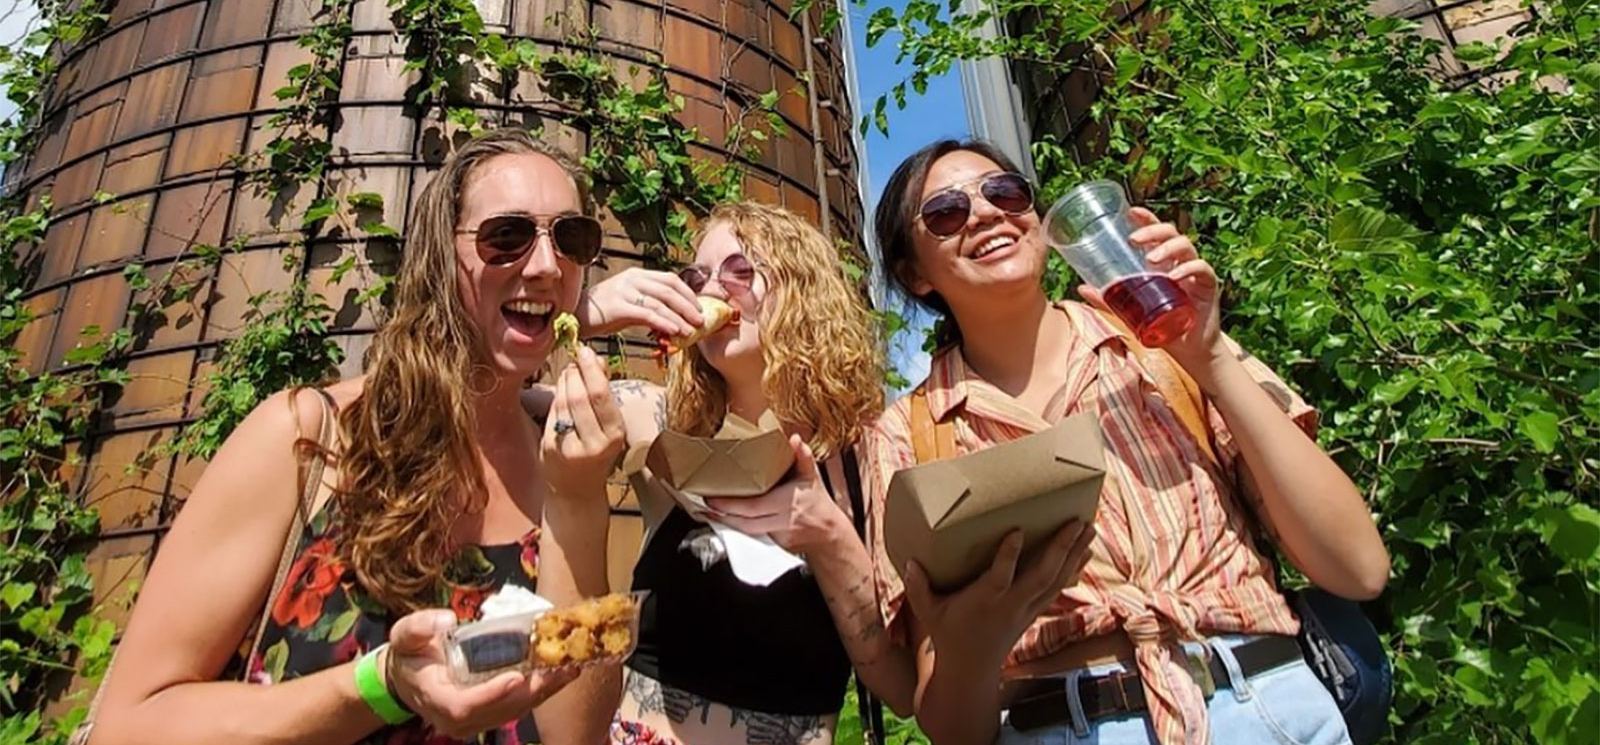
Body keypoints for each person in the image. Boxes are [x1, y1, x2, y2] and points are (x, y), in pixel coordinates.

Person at [85, 129, 625, 745]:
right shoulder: (307, 437)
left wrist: (578, 502)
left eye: (571, 238)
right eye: (507, 236)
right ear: (438, 257)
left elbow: (573, 737)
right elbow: (128, 726)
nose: (548, 264)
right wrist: (382, 686)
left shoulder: (564, 461)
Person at [862, 140, 1390, 745]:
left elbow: (1358, 568)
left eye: (1005, 192)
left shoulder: (1163, 348)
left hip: (1269, 707)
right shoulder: (910, 434)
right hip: (1063, 726)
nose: (985, 213)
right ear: (915, 274)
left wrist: (1211, 358)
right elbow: (953, 730)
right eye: (947, 212)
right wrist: (972, 648)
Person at [536, 201, 920, 745]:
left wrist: (831, 539)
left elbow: (903, 688)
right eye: (698, 277)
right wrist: (586, 313)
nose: (712, 289)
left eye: (740, 270)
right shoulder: (658, 422)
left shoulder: (867, 457)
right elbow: (491, 397)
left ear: (801, 290)